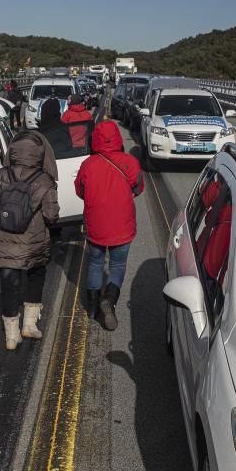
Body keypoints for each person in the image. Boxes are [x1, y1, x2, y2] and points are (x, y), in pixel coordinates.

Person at [0, 131, 60, 350]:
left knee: (9, 284)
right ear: (39, 154)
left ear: (14, 151)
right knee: (35, 276)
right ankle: (30, 325)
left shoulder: (0, 175)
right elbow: (51, 215)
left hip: (5, 239)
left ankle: (11, 336)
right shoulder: (45, 180)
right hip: (34, 240)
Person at [75, 120, 144, 330]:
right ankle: (110, 299)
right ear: (117, 138)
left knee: (95, 263)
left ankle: (93, 307)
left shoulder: (88, 164)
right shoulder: (130, 162)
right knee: (117, 265)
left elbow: (80, 191)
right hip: (122, 224)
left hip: (96, 224)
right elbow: (138, 187)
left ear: (95, 139)